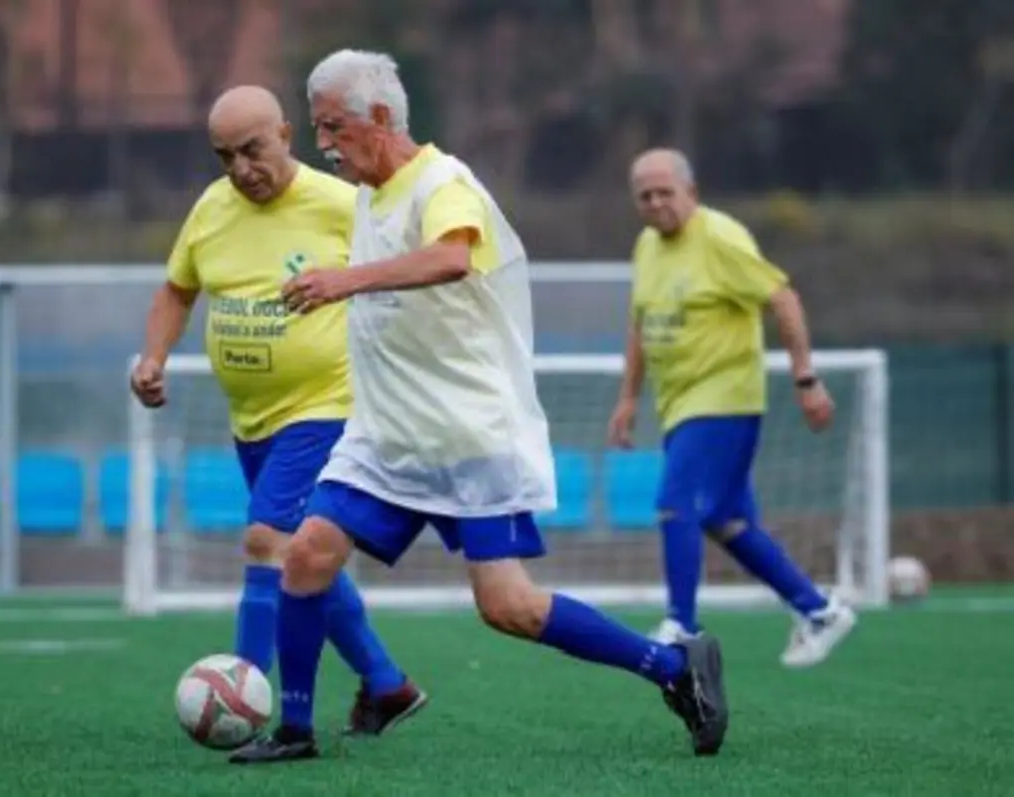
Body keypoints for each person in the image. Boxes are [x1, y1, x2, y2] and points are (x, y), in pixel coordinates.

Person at [229, 51, 728, 765]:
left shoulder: (444, 182)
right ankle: (294, 730)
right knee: (305, 553)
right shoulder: (370, 193)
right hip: (385, 437)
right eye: (317, 129)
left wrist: (346, 281)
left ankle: (677, 668)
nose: (325, 144)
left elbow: (452, 258)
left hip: (468, 437)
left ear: (378, 118)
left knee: (508, 607)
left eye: (332, 126)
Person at [130, 85, 427, 735]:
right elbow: (177, 290)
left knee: (266, 537)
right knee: (300, 553)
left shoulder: (343, 204)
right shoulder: (212, 207)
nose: (240, 169)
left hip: (328, 408)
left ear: (287, 135)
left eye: (253, 150)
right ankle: (386, 682)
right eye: (225, 156)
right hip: (253, 419)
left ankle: (242, 694)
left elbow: (414, 273)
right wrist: (152, 357)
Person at [607, 148, 857, 668]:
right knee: (724, 519)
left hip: (725, 398)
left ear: (691, 193)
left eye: (664, 193)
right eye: (644, 196)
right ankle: (818, 610)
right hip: (678, 405)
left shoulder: (721, 238)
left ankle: (680, 623)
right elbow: (639, 322)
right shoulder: (646, 246)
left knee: (675, 501)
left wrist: (806, 379)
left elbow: (782, 298)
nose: (655, 204)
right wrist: (629, 397)